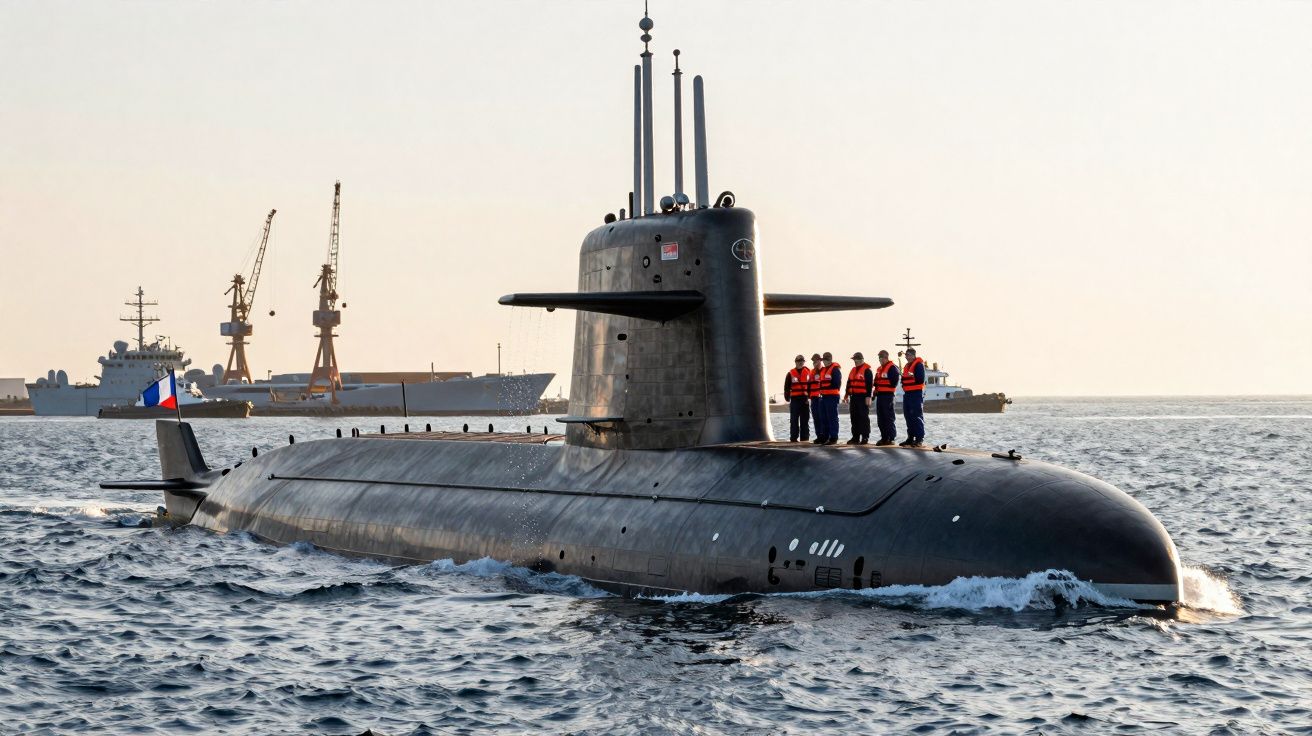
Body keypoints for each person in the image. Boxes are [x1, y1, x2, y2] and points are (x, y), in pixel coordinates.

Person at [843, 352, 873, 444]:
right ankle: (855, 437)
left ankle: (865, 437)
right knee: (854, 417)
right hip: (854, 397)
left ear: (861, 360)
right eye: (854, 360)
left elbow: (869, 385)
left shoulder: (867, 371)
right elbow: (849, 383)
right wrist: (846, 395)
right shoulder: (853, 370)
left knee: (863, 417)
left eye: (856, 359)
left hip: (863, 397)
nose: (855, 361)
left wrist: (868, 396)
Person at [899, 347, 927, 447]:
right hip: (907, 394)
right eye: (907, 355)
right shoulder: (906, 366)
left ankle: (919, 439)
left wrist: (912, 375)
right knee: (908, 416)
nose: (907, 357)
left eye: (909, 355)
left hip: (916, 393)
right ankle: (910, 438)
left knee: (916, 415)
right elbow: (903, 380)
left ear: (914, 355)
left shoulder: (919, 365)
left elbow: (920, 379)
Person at [873, 349, 900, 446]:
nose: (880, 360)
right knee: (881, 418)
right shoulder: (879, 369)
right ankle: (884, 437)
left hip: (888, 396)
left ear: (886, 358)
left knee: (888, 417)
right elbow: (875, 382)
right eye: (879, 358)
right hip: (880, 396)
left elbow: (894, 382)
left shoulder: (892, 368)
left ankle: (891, 438)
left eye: (882, 358)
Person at [784, 354, 811, 442]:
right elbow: (787, 386)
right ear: (796, 362)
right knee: (794, 420)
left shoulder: (808, 373)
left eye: (802, 361)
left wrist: (809, 397)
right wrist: (787, 397)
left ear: (804, 362)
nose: (800, 363)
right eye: (799, 361)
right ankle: (793, 438)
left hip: (805, 399)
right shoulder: (790, 373)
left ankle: (804, 438)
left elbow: (811, 386)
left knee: (805, 420)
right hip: (795, 399)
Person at [818, 351, 842, 445]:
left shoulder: (835, 370)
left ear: (830, 360)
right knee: (824, 417)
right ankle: (825, 436)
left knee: (832, 417)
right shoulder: (823, 370)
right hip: (823, 397)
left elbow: (837, 383)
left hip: (831, 396)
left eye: (826, 360)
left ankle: (833, 437)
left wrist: (827, 389)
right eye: (823, 360)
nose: (824, 362)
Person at [808, 354, 826, 444]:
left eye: (815, 360)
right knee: (816, 418)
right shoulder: (812, 372)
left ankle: (825, 436)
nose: (814, 362)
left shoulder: (824, 371)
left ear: (820, 361)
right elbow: (809, 385)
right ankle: (819, 436)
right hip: (814, 398)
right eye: (813, 361)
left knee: (822, 417)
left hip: (821, 398)